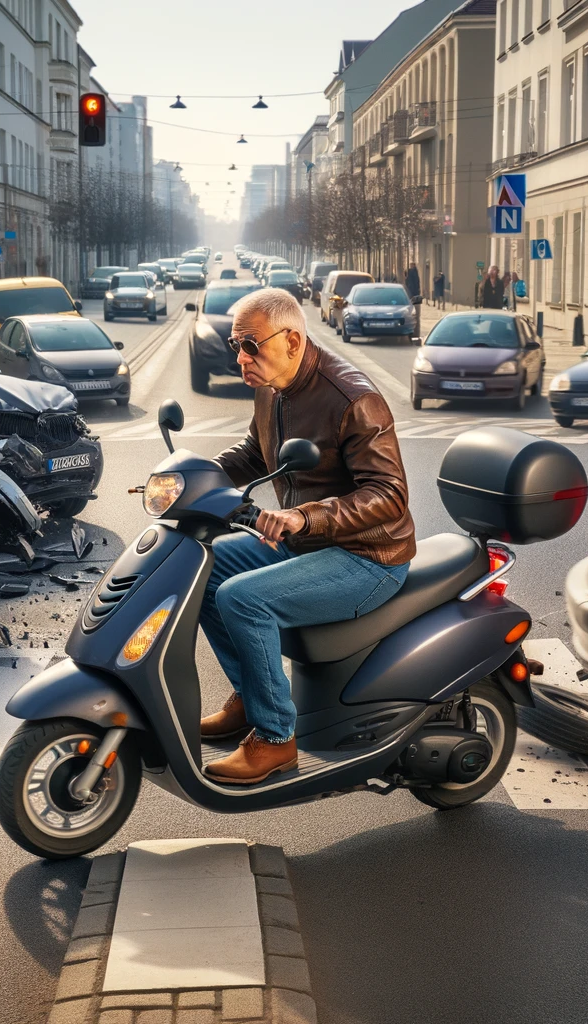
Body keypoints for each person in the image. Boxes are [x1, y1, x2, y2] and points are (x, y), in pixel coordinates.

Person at [199, 288, 416, 784]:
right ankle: (250, 696)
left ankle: (276, 740)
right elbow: (257, 453)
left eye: (250, 345)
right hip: (307, 542)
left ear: (292, 341)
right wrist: (197, 474)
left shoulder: (354, 399)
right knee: (202, 568)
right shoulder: (272, 387)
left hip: (367, 557)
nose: (241, 357)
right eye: (236, 344)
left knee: (242, 599)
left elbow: (389, 493)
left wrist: (305, 517)